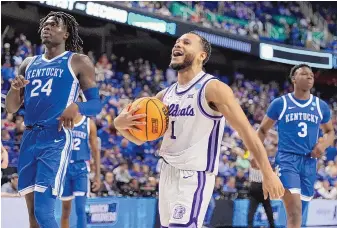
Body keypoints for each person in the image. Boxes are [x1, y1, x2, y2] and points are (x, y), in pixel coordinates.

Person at [113, 31, 284, 227]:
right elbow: (140, 139)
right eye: (177, 42)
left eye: (186, 42)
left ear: (202, 55)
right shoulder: (164, 95)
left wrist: (268, 173)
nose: (178, 45)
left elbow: (247, 132)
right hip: (167, 173)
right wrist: (119, 124)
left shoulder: (213, 88)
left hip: (194, 175)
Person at [5, 11, 102, 228]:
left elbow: (96, 105)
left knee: (43, 212)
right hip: (29, 138)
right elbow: (11, 107)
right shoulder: (28, 63)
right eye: (45, 25)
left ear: (66, 32)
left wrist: (77, 106)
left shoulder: (78, 61)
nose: (47, 28)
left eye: (54, 24)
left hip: (55, 138)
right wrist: (14, 89)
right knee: (32, 214)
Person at [256, 64, 335, 228]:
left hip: (309, 163)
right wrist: (255, 155)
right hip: (287, 160)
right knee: (295, 211)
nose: (309, 77)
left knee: (299, 214)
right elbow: (262, 130)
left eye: (312, 75)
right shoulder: (280, 103)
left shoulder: (321, 106)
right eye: (304, 74)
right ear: (293, 79)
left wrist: (323, 145)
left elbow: (330, 133)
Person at [60, 112, 101, 228]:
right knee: (66, 210)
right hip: (65, 168)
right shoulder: (61, 121)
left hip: (81, 169)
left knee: (80, 208)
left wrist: (97, 176)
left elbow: (95, 150)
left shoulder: (88, 123)